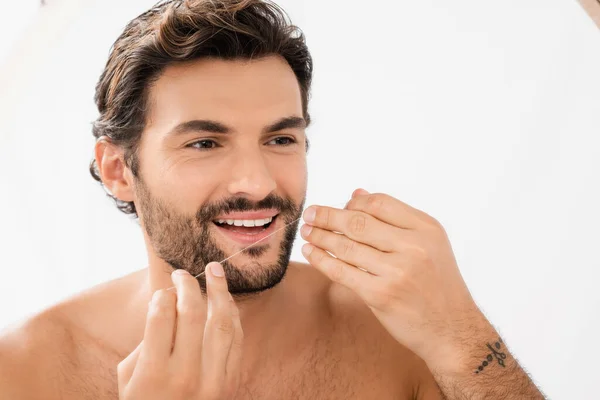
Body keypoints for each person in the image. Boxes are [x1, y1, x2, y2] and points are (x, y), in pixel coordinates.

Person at [0, 0, 546, 398]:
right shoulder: (25, 370)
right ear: (118, 170)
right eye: (205, 143)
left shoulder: (392, 332)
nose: (256, 183)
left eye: (280, 139)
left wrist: (465, 339)